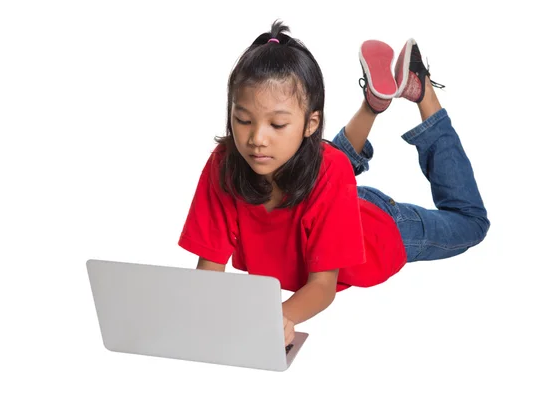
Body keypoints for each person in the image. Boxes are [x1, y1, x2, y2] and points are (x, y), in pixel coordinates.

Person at [178, 20, 490, 347]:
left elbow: (323, 286)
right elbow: (209, 269)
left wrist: (272, 319)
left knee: (471, 222)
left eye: (278, 124)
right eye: (243, 120)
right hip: (320, 197)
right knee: (314, 163)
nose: (257, 139)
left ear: (312, 122)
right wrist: (203, 315)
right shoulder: (225, 163)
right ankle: (373, 104)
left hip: (376, 229)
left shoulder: (329, 170)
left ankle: (421, 90)